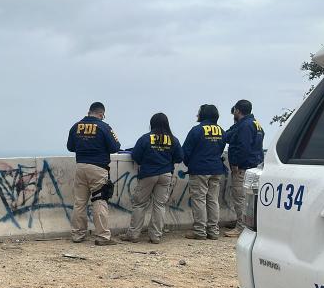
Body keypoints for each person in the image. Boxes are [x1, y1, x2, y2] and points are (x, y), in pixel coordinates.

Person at [122, 113, 183, 244]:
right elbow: (179, 157)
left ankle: (133, 234)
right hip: (166, 175)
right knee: (159, 205)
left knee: (140, 204)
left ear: (152, 123)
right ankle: (155, 235)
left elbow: (136, 156)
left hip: (148, 174)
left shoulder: (145, 138)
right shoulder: (173, 139)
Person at [67, 102, 121, 246]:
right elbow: (115, 147)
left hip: (80, 166)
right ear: (100, 114)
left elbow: (70, 147)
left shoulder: (76, 126)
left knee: (79, 202)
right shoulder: (104, 127)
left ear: (89, 111)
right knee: (99, 200)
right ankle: (102, 236)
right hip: (98, 168)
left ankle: (78, 234)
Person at [182, 105, 227, 240]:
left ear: (203, 114)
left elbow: (185, 152)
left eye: (199, 113)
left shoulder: (197, 130)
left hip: (200, 170)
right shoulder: (221, 131)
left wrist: (190, 164)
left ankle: (200, 232)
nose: (197, 115)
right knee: (213, 200)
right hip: (216, 169)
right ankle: (213, 231)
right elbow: (220, 149)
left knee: (199, 200)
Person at [223, 99, 265, 237]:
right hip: (254, 166)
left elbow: (243, 147)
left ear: (237, 110)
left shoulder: (245, 126)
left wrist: (236, 163)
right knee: (249, 199)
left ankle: (241, 227)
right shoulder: (256, 124)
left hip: (243, 168)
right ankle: (242, 222)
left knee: (240, 198)